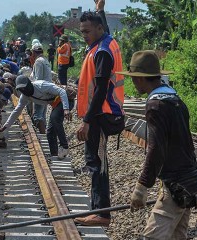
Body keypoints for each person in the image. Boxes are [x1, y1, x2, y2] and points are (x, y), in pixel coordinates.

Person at [116, 50, 197, 239]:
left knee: (152, 236)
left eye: (134, 78)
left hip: (176, 185)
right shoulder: (176, 101)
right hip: (190, 180)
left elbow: (156, 149)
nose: (133, 82)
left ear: (141, 79)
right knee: (177, 235)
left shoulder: (155, 107)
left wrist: (142, 187)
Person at [74, 0, 125, 227]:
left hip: (101, 115)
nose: (83, 35)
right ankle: (97, 209)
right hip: (103, 114)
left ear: (98, 29)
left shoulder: (102, 51)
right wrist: (100, 10)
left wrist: (86, 121)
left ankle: (102, 213)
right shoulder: (107, 40)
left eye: (86, 31)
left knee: (97, 164)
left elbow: (101, 90)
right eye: (81, 31)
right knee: (95, 162)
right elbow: (105, 27)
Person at [0, 76, 72, 159]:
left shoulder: (41, 85)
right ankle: (55, 154)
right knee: (50, 132)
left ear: (29, 84)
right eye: (21, 89)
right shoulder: (25, 96)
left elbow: (62, 91)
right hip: (56, 104)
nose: (24, 90)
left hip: (66, 100)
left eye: (24, 88)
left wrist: (66, 109)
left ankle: (64, 147)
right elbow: (16, 111)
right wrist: (5, 127)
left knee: (54, 118)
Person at [30, 42, 52, 134]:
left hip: (41, 91)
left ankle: (43, 135)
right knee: (43, 114)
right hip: (47, 89)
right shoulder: (45, 60)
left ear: (34, 52)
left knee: (38, 115)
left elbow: (38, 79)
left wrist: (34, 93)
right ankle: (45, 134)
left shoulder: (38, 62)